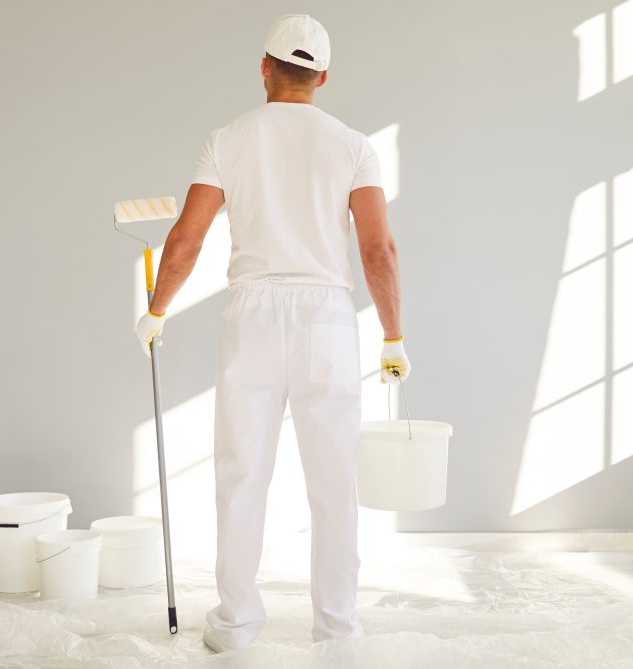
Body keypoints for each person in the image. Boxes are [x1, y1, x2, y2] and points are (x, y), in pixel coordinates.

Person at [134, 14, 411, 653]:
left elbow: (184, 240)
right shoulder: (353, 144)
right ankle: (337, 629)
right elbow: (378, 250)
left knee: (240, 474)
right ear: (322, 76)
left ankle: (234, 627)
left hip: (252, 315)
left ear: (264, 67)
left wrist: (156, 310)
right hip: (326, 320)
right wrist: (393, 336)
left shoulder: (228, 140)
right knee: (334, 480)